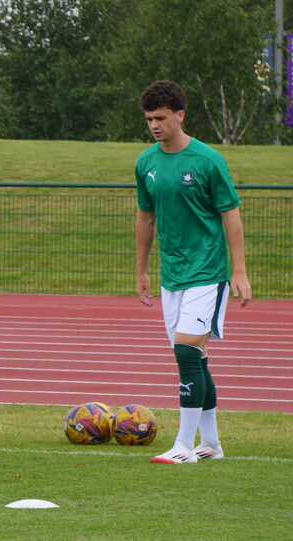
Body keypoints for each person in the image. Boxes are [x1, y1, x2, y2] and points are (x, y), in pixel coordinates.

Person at [134, 80, 251, 464]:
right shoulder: (146, 163)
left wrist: (240, 271)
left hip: (208, 272)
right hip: (173, 277)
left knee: (186, 351)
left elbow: (230, 213)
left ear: (179, 115)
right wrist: (141, 270)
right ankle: (212, 443)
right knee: (194, 359)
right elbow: (146, 216)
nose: (154, 125)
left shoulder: (208, 160)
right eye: (149, 118)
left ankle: (184, 446)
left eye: (161, 118)